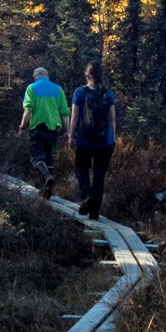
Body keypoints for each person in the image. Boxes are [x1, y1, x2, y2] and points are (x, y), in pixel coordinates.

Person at [67, 60, 116, 220]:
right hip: (105, 141)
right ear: (101, 75)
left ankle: (86, 196)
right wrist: (113, 138)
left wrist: (71, 136)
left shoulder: (80, 93)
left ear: (87, 75)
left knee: (81, 169)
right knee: (99, 175)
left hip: (84, 140)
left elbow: (74, 116)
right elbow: (112, 119)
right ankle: (94, 212)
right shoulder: (108, 94)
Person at [18, 66, 70, 198]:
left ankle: (47, 177)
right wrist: (68, 131)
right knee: (50, 157)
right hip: (54, 129)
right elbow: (65, 113)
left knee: (37, 157)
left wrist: (22, 126)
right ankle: (47, 192)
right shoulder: (58, 89)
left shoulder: (32, 88)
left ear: (35, 77)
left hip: (38, 128)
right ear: (47, 76)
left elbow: (28, 109)